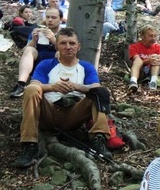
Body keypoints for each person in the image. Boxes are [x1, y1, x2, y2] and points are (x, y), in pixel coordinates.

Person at [12, 28, 112, 167]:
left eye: (72, 43)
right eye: (63, 43)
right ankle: (29, 144)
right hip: (49, 112)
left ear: (78, 46)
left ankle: (98, 140)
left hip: (75, 113)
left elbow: (95, 87)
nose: (68, 47)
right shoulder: (46, 64)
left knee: (100, 92)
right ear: (56, 46)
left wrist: (76, 87)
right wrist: (53, 87)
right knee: (31, 89)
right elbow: (34, 85)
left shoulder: (86, 67)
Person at [9, 8, 61, 99]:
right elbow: (25, 50)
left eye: (53, 17)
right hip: (39, 63)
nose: (50, 20)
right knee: (29, 49)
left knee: (59, 53)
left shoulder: (64, 33)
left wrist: (54, 40)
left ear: (60, 19)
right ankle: (21, 84)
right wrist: (33, 40)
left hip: (57, 66)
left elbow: (69, 52)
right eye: (48, 17)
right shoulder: (40, 31)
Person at [128, 25, 160, 93]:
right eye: (150, 36)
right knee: (138, 60)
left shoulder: (158, 47)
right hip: (140, 71)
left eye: (154, 36)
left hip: (154, 70)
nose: (153, 38)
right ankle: (133, 81)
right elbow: (136, 61)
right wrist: (148, 61)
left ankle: (153, 82)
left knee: (156, 59)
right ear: (142, 36)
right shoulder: (134, 47)